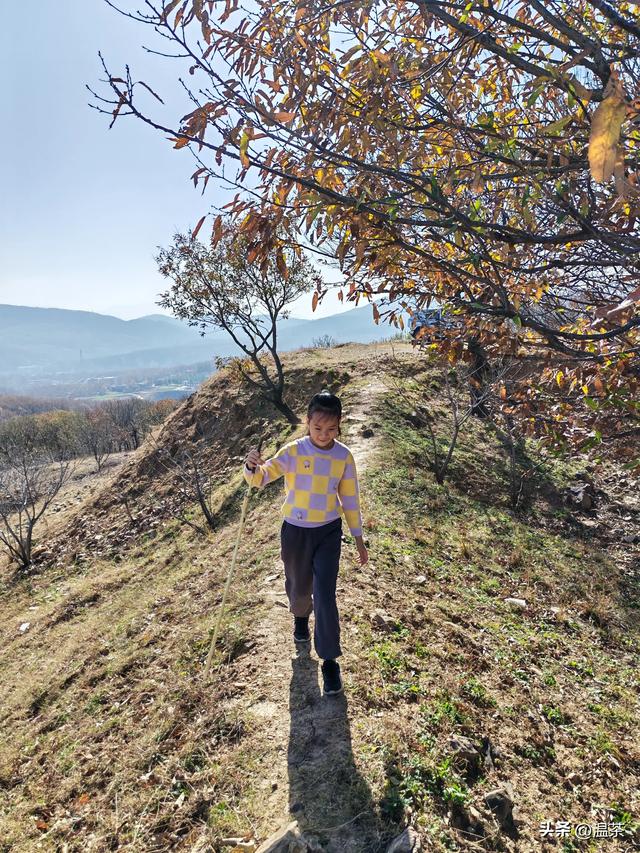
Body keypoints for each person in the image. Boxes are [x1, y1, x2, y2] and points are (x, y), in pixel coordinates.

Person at [243, 390, 369, 696]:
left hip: (328, 531)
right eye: (317, 428)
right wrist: (251, 467)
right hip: (295, 531)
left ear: (340, 425)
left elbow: (350, 500)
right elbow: (262, 478)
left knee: (325, 595)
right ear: (307, 423)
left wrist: (358, 538)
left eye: (331, 429)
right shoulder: (294, 451)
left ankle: (329, 660)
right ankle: (300, 616)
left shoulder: (343, 457)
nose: (324, 435)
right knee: (299, 586)